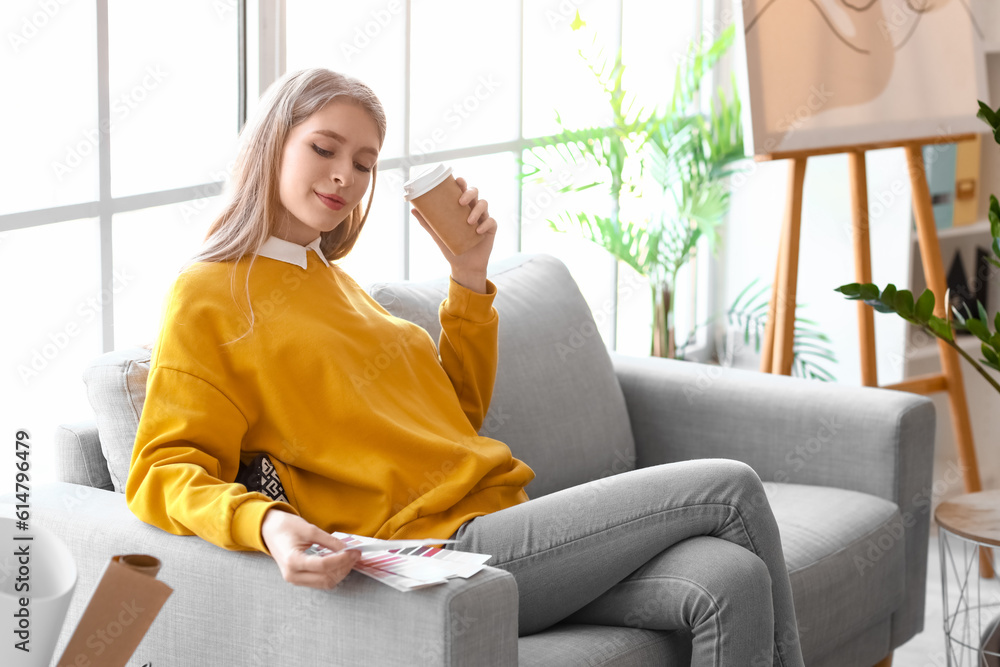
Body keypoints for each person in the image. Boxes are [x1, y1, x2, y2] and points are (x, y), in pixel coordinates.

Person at [126, 67, 805, 667]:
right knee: (729, 484)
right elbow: (162, 470)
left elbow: (457, 415)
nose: (344, 176)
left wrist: (469, 275)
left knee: (729, 579)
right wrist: (266, 521)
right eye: (324, 148)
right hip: (444, 549)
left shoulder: (335, 282)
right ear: (274, 143)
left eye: (363, 162)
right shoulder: (210, 294)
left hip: (504, 523)